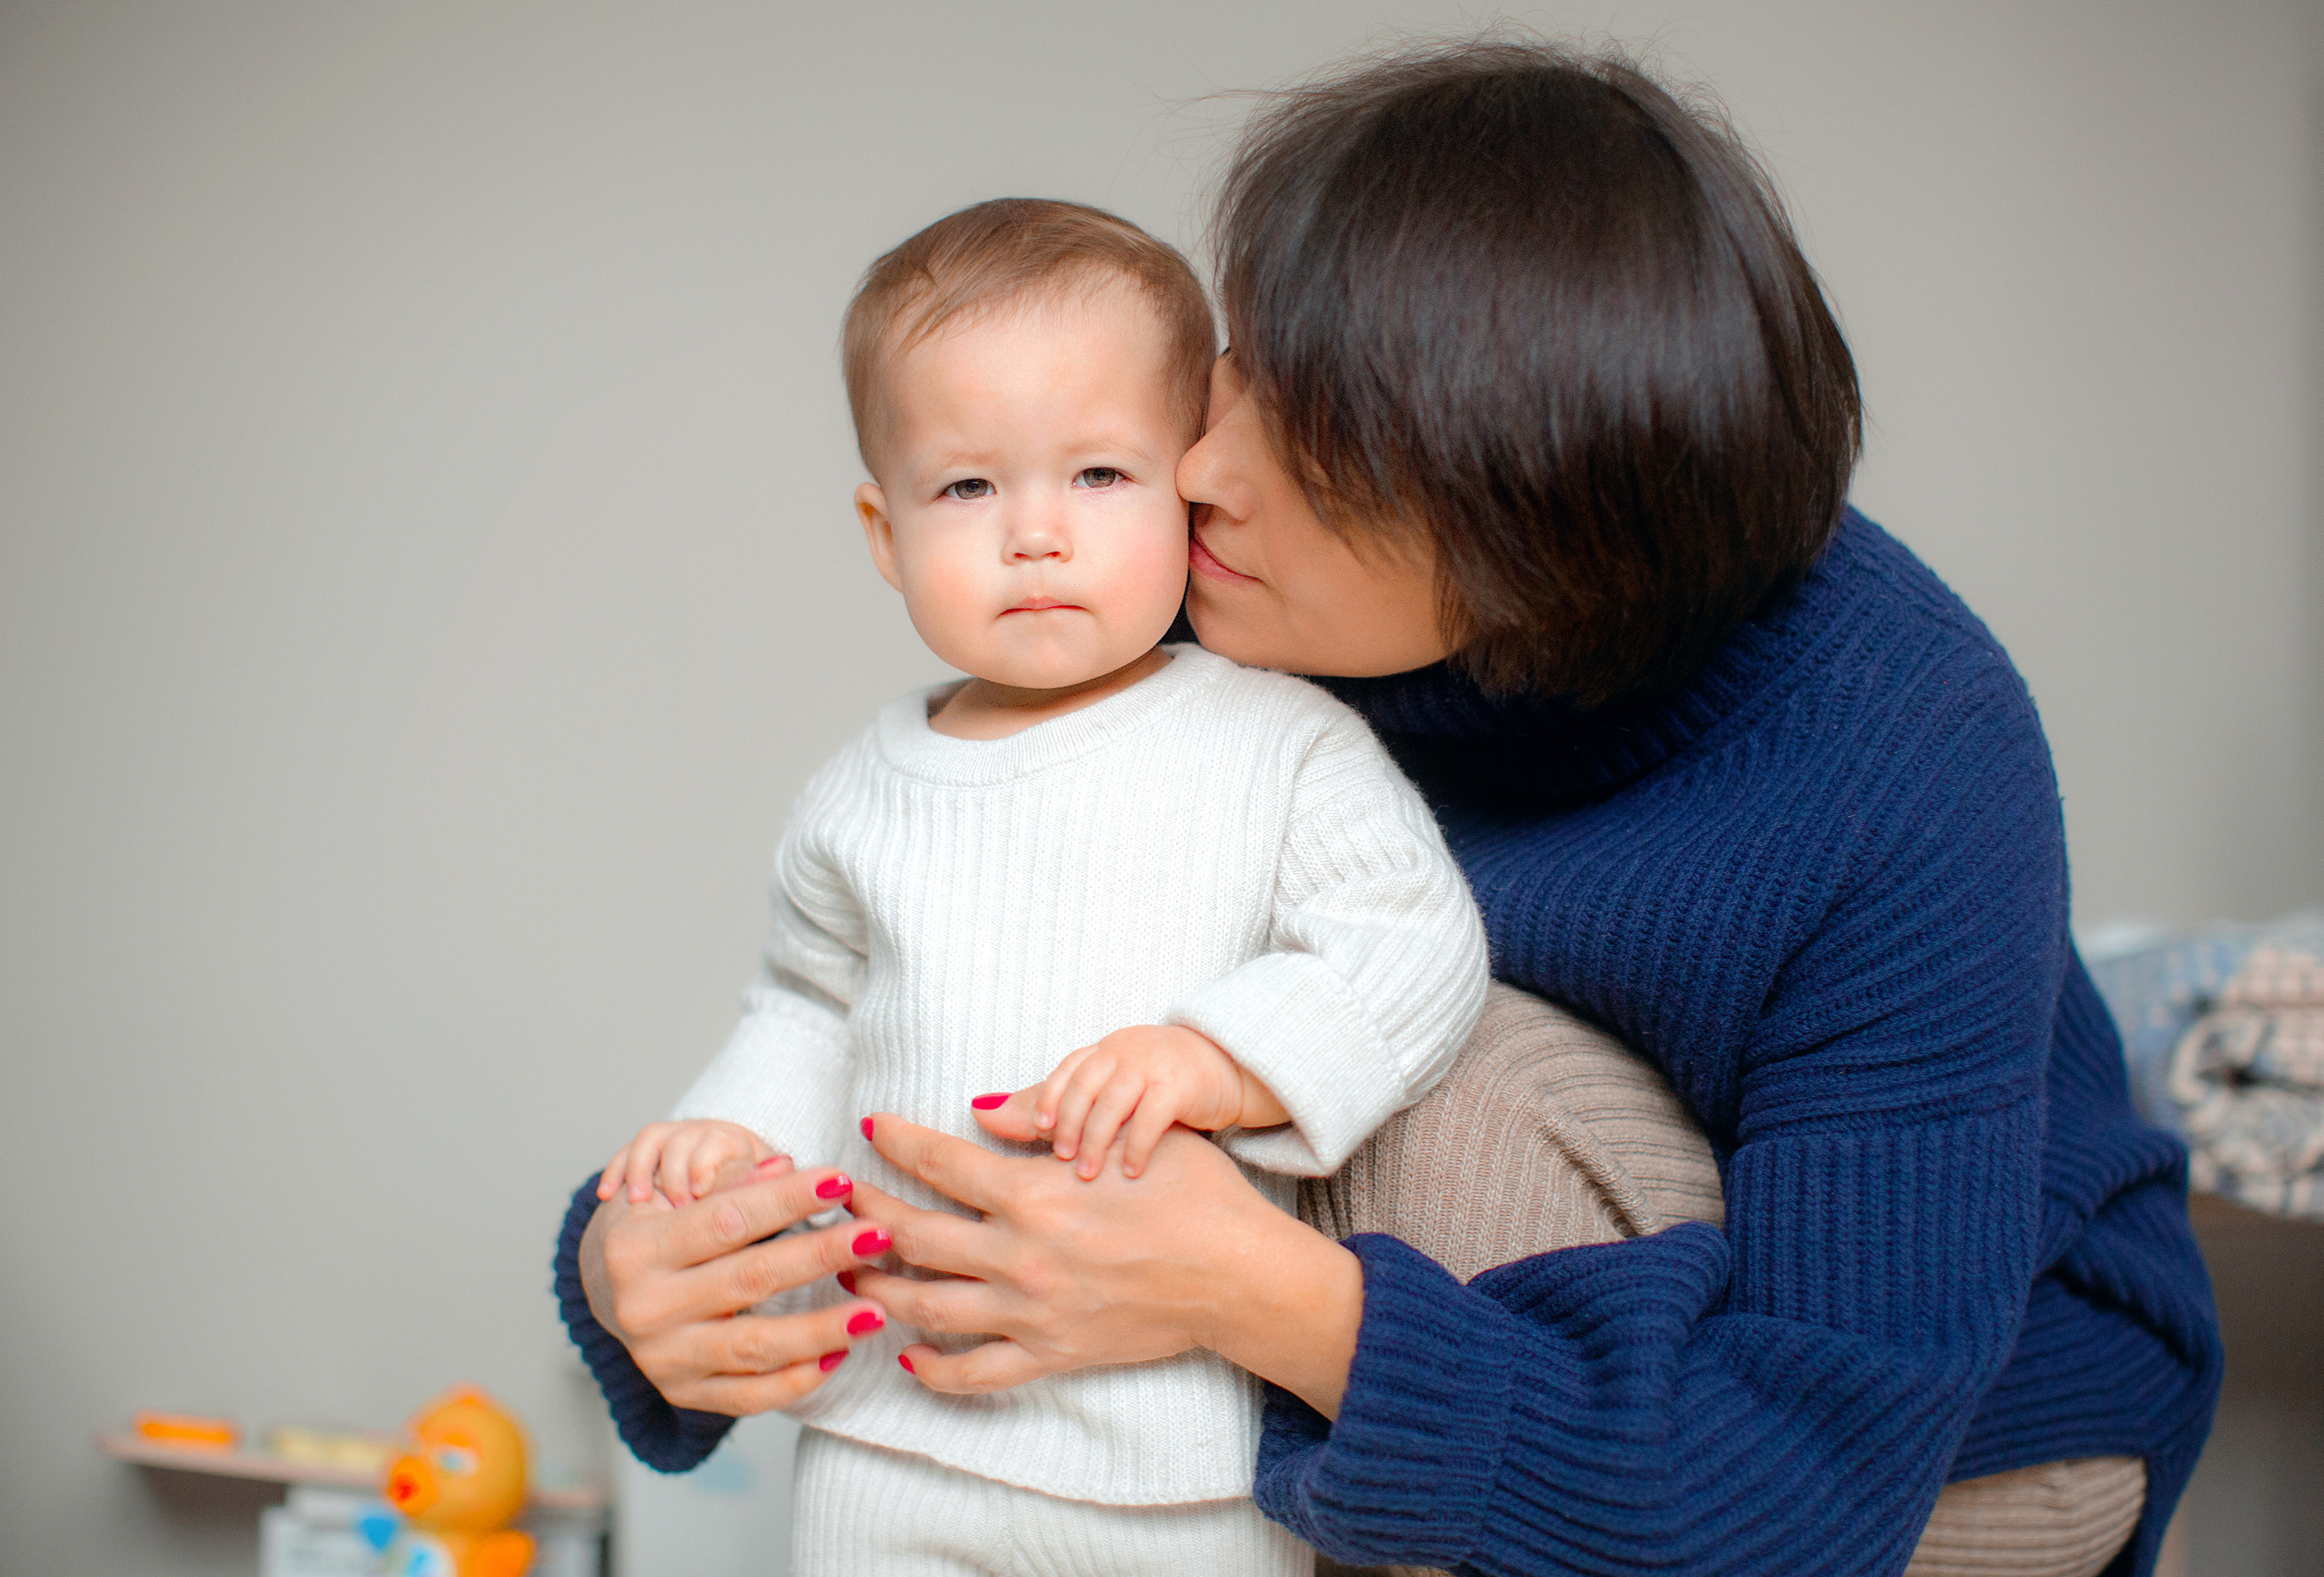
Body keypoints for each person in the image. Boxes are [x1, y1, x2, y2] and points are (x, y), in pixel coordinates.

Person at [556, 39, 2222, 1577]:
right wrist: (645, 1265)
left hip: (1928, 1431)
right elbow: (937, 965)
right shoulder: (1199, 573)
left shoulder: (1905, 757)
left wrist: (1256, 1294)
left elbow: (1805, 1469)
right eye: (1247, 372)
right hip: (1540, 1339)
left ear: (1522, 556)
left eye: (1320, 456)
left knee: (1433, 1073)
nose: (1199, 472)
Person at [567, 197, 1489, 1576]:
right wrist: (723, 1146)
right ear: (884, 533)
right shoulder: (858, 791)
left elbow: (1411, 943)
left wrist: (1221, 1060)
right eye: (967, 489)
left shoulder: (1279, 744)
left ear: (1189, 490)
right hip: (888, 1427)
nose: (1036, 534)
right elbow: (807, 1008)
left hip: (1170, 1452)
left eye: (1100, 475)